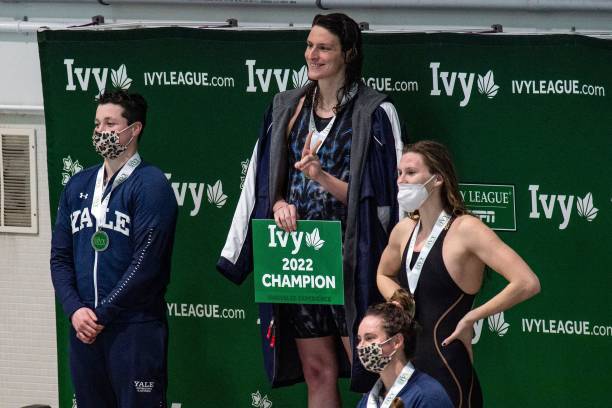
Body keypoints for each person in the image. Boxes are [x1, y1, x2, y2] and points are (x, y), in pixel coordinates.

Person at [217, 13, 402, 407]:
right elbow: (264, 182)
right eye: (309, 45)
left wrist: (321, 177)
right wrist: (280, 204)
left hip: (354, 262)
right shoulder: (288, 106)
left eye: (324, 47)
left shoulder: (374, 112)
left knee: (370, 370)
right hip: (300, 263)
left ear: (348, 53)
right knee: (317, 371)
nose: (312, 55)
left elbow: (385, 197)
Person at [376, 140, 541, 407]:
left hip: (447, 367)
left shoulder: (466, 229)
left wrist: (471, 318)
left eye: (411, 172)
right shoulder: (404, 229)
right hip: (407, 365)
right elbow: (383, 273)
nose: (401, 180)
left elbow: (527, 282)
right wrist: (400, 298)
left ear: (437, 178)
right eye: (399, 173)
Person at [50, 90, 178, 407]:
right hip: (83, 330)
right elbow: (60, 257)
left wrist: (102, 314)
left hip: (133, 329)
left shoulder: (150, 185)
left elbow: (146, 264)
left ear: (134, 129)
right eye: (97, 123)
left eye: (110, 122)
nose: (100, 131)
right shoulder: (77, 185)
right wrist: (75, 310)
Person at [356, 289, 453, 408]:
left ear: (396, 341)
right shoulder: (367, 402)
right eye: (359, 339)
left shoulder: (427, 396)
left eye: (369, 338)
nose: (361, 346)